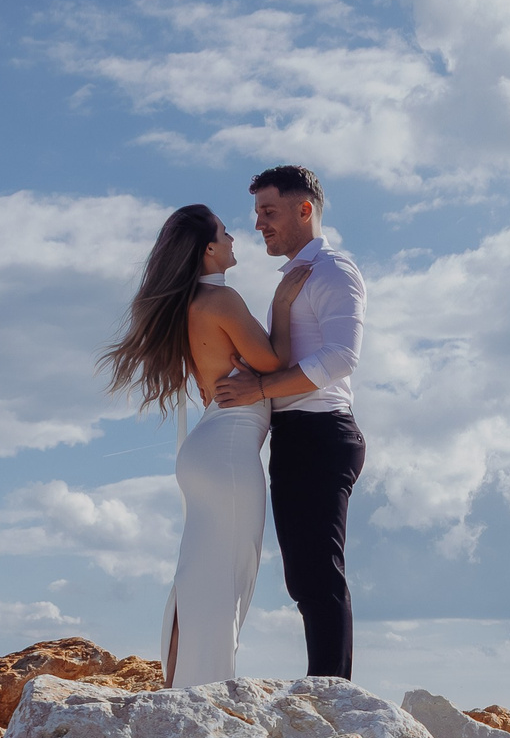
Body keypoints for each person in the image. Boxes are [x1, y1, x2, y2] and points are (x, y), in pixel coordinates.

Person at [102, 204, 299, 687]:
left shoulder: (187, 305)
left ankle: (177, 691)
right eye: (226, 233)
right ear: (209, 249)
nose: (235, 239)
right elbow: (276, 363)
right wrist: (284, 305)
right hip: (228, 451)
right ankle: (204, 695)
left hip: (207, 447)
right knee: (225, 584)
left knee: (197, 580)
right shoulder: (221, 300)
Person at [212, 164, 367, 678]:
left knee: (317, 576)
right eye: (257, 212)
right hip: (298, 436)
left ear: (305, 209)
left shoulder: (334, 272)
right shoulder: (296, 278)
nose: (258, 224)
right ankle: (328, 689)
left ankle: (335, 697)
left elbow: (341, 358)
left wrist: (258, 389)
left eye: (269, 211)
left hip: (322, 433)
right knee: (304, 578)